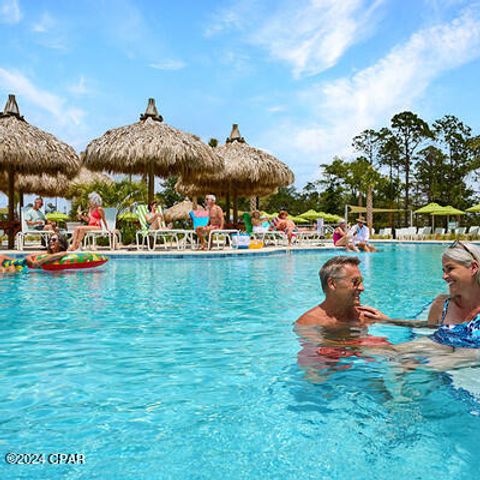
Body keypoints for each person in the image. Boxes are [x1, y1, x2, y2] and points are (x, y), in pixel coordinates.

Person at [362, 242, 480, 370]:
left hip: (469, 354)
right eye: (444, 270)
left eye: (450, 269)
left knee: (424, 368)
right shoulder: (443, 303)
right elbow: (427, 325)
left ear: (473, 268)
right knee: (379, 352)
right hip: (441, 342)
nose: (444, 276)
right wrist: (387, 320)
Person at [0, 234, 69, 273]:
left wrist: (39, 262)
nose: (50, 241)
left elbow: (61, 254)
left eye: (53, 240)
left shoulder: (62, 253)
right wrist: (33, 263)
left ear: (60, 243)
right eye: (50, 240)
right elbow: (28, 257)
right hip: (20, 263)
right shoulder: (46, 253)